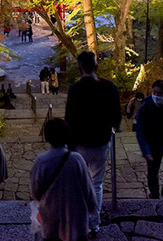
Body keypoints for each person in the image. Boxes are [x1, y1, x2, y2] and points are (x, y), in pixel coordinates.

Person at [65, 51, 121, 235]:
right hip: (101, 141)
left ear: (80, 68)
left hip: (79, 143)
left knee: (79, 182)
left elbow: (69, 119)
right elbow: (116, 117)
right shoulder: (109, 88)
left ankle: (77, 220)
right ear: (96, 66)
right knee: (96, 183)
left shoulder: (74, 90)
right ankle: (93, 223)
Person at [31, 118, 97, 241]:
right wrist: (92, 206)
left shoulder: (41, 162)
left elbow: (35, 192)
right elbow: (88, 188)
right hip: (76, 221)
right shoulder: (76, 159)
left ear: (47, 137)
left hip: (51, 221)